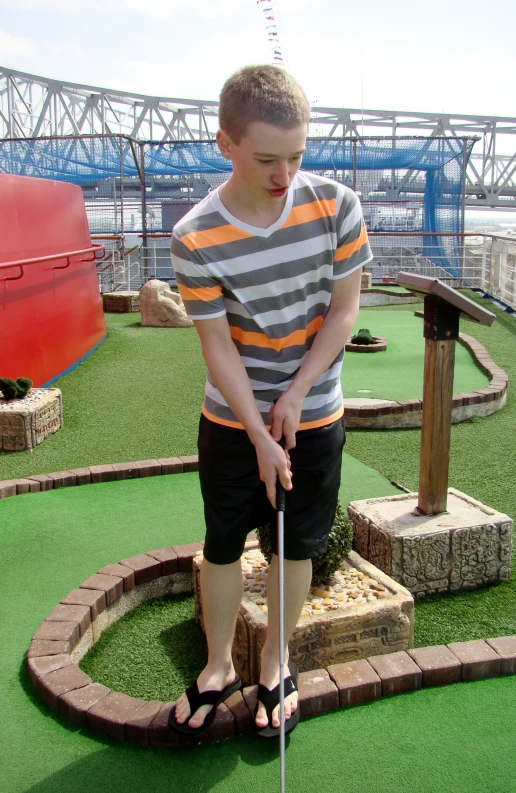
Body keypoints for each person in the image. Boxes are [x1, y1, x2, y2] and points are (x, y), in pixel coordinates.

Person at [168, 64, 372, 738]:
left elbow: (344, 312)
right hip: (231, 418)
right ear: (224, 142)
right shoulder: (195, 235)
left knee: (298, 539)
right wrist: (257, 430)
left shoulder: (337, 205)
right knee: (223, 540)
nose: (285, 173)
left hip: (315, 411)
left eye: (297, 155)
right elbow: (219, 348)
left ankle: (276, 661)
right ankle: (219, 664)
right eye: (265, 159)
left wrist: (298, 393)